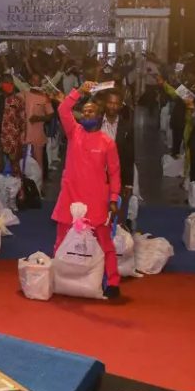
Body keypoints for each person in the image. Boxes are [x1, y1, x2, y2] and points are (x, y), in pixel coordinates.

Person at [52, 81, 122, 299]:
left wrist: (113, 198)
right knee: (61, 239)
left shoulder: (108, 143)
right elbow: (63, 109)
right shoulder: (74, 132)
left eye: (90, 112)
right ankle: (56, 276)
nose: (86, 115)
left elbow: (115, 173)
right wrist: (78, 92)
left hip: (96, 200)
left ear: (100, 116)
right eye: (83, 112)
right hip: (70, 197)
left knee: (104, 241)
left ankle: (113, 282)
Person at [97, 88, 135, 224]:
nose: (112, 106)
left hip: (117, 174)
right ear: (105, 103)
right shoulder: (96, 123)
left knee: (116, 210)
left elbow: (130, 154)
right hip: (97, 173)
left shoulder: (127, 126)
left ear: (120, 105)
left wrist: (128, 183)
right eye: (109, 102)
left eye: (116, 103)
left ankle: (116, 236)